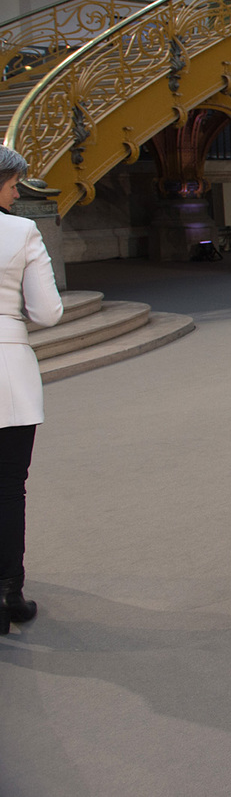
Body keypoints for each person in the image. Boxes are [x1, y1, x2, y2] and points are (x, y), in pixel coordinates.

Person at [0, 146, 63, 634]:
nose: (17, 190)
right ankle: (9, 593)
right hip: (8, 375)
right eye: (12, 182)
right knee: (7, 488)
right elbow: (46, 313)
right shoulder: (20, 231)